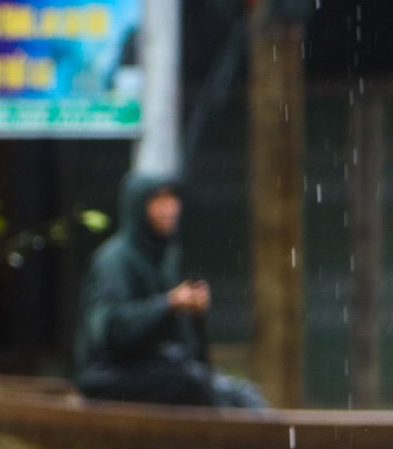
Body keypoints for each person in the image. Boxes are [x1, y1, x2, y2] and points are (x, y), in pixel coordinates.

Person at [73, 172, 267, 408]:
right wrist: (169, 303)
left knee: (242, 394)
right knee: (192, 385)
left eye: (173, 199)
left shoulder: (166, 257)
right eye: (158, 200)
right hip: (109, 375)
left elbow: (187, 348)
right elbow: (112, 330)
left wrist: (194, 312)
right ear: (137, 207)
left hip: (156, 367)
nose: (169, 208)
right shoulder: (113, 261)